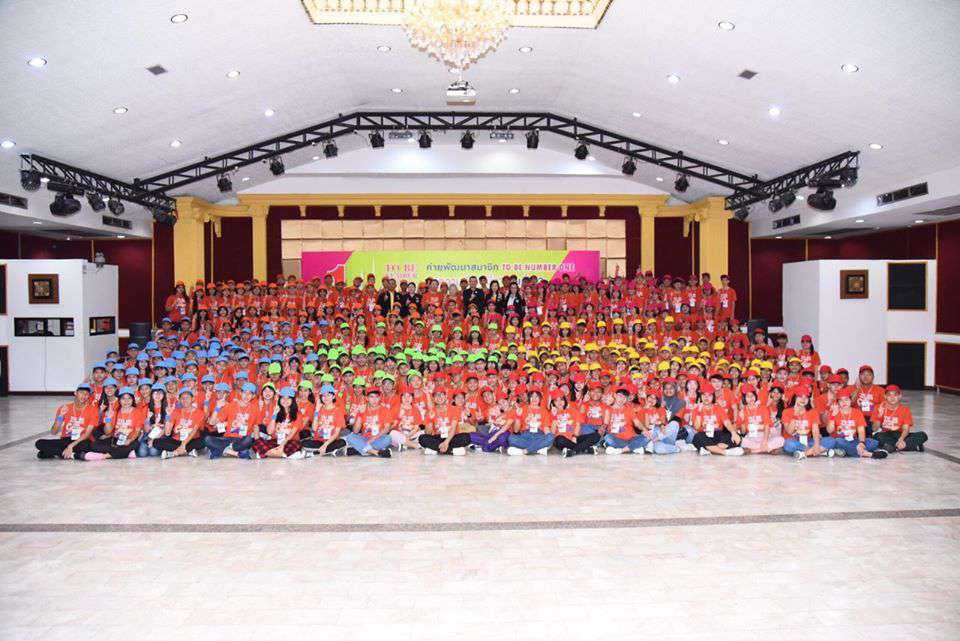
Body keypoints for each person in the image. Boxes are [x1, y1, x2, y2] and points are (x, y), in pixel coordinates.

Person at [36, 384, 100, 459]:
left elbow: (87, 434)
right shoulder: (65, 408)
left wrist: (71, 446)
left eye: (87, 394)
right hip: (66, 439)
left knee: (89, 446)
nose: (84, 396)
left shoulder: (93, 410)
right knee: (39, 443)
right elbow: (54, 432)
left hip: (82, 440)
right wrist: (60, 416)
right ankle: (74, 455)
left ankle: (56, 453)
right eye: (81, 392)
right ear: (75, 393)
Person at [204, 382, 258, 458]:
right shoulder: (231, 405)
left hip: (241, 439)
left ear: (253, 396)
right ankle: (236, 453)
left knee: (248, 440)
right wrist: (217, 408)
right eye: (244, 393)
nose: (246, 396)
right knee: (207, 439)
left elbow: (253, 428)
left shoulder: (254, 409)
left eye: (250, 394)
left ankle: (220, 451)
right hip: (227, 438)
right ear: (240, 393)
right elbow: (212, 422)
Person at [827, 393, 886, 459]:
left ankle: (848, 451)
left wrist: (861, 443)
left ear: (851, 401)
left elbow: (861, 431)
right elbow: (829, 431)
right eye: (841, 400)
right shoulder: (834, 412)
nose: (844, 402)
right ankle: (867, 454)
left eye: (846, 399)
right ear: (838, 403)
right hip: (839, 440)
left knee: (873, 442)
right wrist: (833, 416)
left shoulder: (857, 412)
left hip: (853, 440)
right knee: (837, 441)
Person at [871, 385, 928, 453]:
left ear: (899, 396)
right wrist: (879, 415)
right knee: (876, 437)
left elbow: (906, 429)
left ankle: (894, 447)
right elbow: (874, 429)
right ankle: (910, 446)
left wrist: (901, 439)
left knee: (922, 435)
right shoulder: (879, 407)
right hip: (886, 434)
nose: (892, 397)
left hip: (901, 434)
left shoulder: (905, 410)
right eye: (889, 395)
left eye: (895, 395)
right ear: (885, 396)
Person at [154, 388, 207, 459]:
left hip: (191, 439)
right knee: (156, 442)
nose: (185, 400)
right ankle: (188, 451)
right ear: (179, 400)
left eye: (187, 397)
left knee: (205, 440)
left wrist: (183, 444)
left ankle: (173, 453)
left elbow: (194, 431)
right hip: (177, 440)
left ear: (192, 399)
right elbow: (167, 433)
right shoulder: (175, 411)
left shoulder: (200, 413)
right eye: (182, 398)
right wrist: (168, 415)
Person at [419, 387, 471, 455]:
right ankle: (452, 451)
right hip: (438, 437)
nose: (439, 397)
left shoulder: (455, 409)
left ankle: (436, 450)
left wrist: (446, 442)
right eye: (436, 395)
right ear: (433, 399)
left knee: (466, 437)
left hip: (452, 437)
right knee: (422, 438)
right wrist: (430, 420)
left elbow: (453, 428)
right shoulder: (431, 412)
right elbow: (428, 433)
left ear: (446, 397)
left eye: (441, 394)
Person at [691, 388, 743, 456]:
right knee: (697, 437)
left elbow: (727, 423)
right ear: (700, 396)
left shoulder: (718, 407)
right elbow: (696, 427)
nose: (706, 397)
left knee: (737, 437)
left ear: (713, 397)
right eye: (704, 395)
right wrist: (699, 411)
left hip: (718, 434)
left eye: (709, 395)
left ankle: (711, 449)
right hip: (704, 434)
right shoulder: (696, 409)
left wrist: (733, 433)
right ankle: (725, 452)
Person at [344, 387, 393, 457]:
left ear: (380, 398)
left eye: (376, 397)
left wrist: (374, 438)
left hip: (378, 438)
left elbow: (387, 428)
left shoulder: (385, 410)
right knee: (350, 437)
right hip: (364, 438)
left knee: (388, 438)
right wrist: (360, 413)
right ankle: (375, 452)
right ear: (367, 398)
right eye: (371, 397)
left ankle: (361, 449)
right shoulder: (363, 409)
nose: (374, 400)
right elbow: (355, 431)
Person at [302, 384, 347, 456]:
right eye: (323, 395)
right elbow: (314, 428)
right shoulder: (319, 409)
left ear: (333, 397)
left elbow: (336, 433)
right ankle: (328, 451)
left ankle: (316, 452)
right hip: (319, 441)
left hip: (331, 441)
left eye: (328, 395)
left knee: (342, 442)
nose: (326, 397)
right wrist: (317, 410)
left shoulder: (338, 411)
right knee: (303, 443)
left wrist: (325, 444)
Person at [507, 390, 554, 455]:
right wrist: (518, 416)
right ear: (529, 398)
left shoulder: (544, 411)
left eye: (536, 396)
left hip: (539, 436)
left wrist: (549, 438)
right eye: (532, 397)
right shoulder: (523, 409)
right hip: (525, 435)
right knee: (511, 438)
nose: (534, 399)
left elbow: (546, 428)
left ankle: (525, 451)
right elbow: (516, 430)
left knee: (550, 437)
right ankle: (537, 449)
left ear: (540, 398)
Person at [602, 387, 647, 455]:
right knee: (608, 438)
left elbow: (637, 422)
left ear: (627, 399)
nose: (621, 399)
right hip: (616, 438)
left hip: (631, 437)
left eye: (624, 397)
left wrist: (645, 429)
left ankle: (621, 450)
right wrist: (602, 428)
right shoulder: (608, 409)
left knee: (646, 437)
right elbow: (605, 423)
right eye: (620, 396)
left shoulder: (629, 409)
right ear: (615, 395)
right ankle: (633, 447)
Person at [780, 387, 822, 460]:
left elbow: (815, 431)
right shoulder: (786, 411)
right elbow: (789, 432)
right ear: (795, 398)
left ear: (808, 400)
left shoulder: (813, 412)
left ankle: (805, 452)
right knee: (788, 444)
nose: (803, 399)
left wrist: (817, 444)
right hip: (792, 441)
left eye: (806, 397)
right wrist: (795, 415)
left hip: (807, 440)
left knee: (830, 440)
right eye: (800, 396)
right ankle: (812, 451)